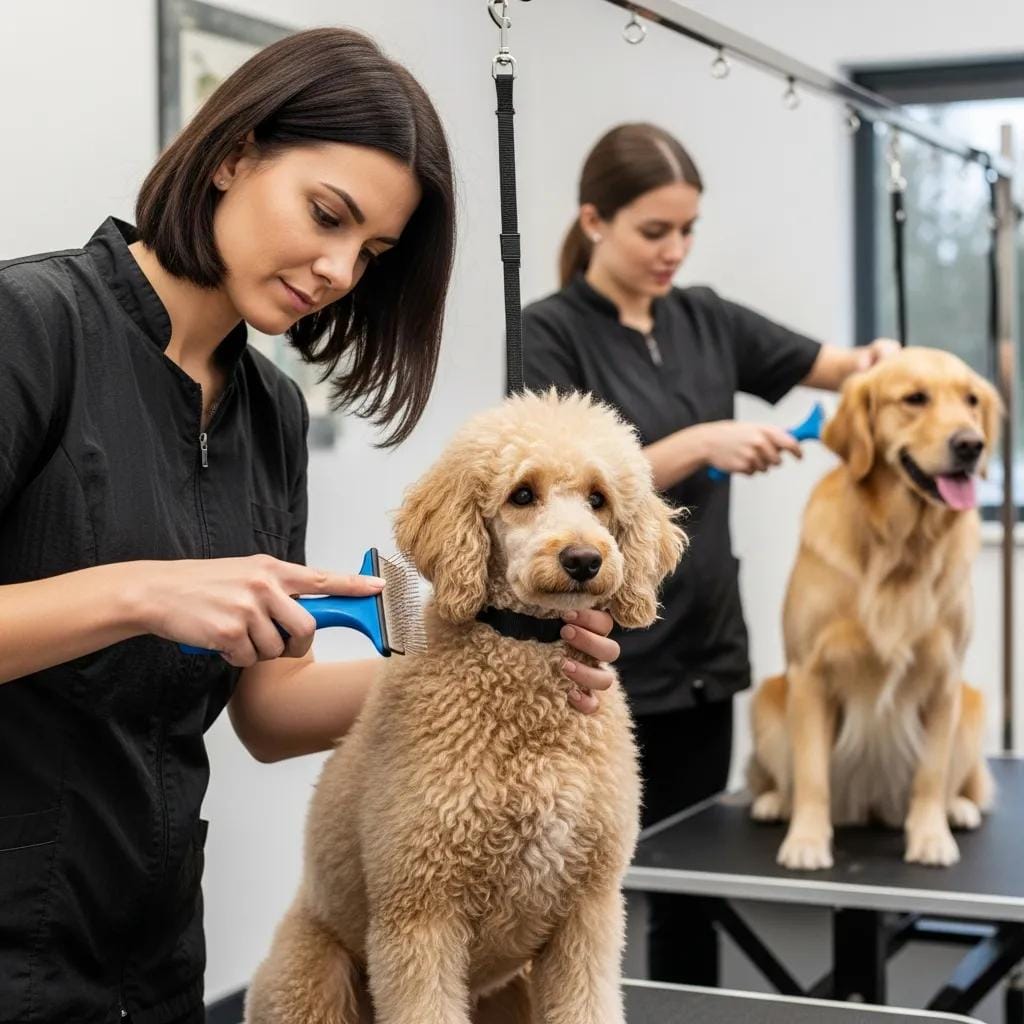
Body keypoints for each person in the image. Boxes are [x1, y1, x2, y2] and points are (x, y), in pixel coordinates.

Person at [0, 28, 619, 1024]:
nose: (336, 268)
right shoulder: (29, 326)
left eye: (370, 253)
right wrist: (140, 592)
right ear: (234, 151)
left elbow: (270, 711)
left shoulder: (267, 413)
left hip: (150, 957)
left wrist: (490, 669)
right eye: (326, 215)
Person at [523, 122, 898, 986]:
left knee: (690, 894)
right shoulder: (548, 334)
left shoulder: (707, 317)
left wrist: (892, 367)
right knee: (582, 900)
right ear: (594, 221)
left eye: (687, 231)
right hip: (601, 661)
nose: (675, 251)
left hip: (704, 647)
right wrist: (700, 443)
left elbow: (844, 368)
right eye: (655, 232)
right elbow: (558, 490)